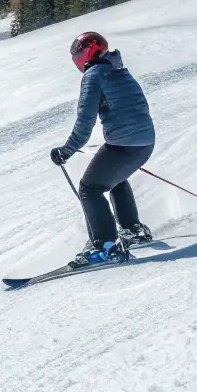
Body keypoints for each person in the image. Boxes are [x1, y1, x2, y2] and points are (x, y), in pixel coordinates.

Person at [50, 32, 155, 267]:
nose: (77, 61)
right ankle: (132, 229)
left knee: (90, 188)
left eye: (78, 55)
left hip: (124, 145)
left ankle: (105, 246)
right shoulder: (119, 69)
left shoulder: (93, 75)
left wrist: (65, 151)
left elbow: (84, 125)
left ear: (87, 54)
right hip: (144, 143)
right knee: (115, 179)